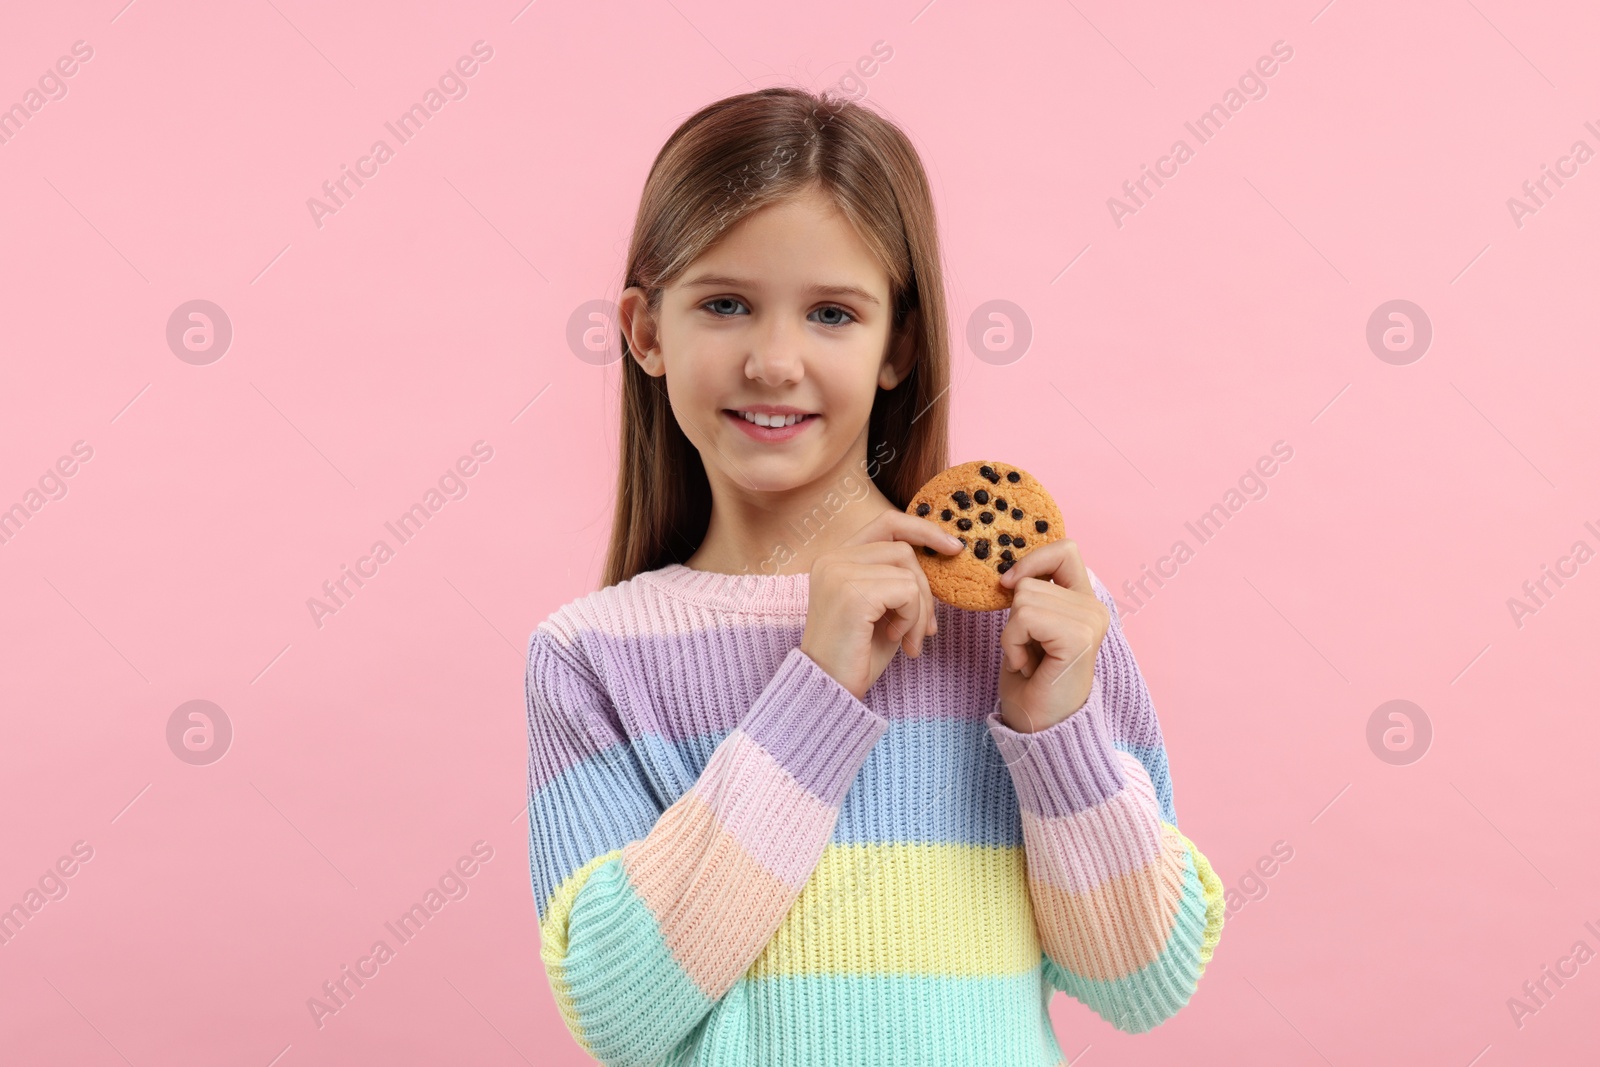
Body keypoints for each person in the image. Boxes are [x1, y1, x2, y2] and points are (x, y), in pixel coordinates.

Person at [524, 86, 1224, 1066]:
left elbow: (1142, 980)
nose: (774, 360)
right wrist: (813, 694)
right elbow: (617, 1011)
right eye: (724, 303)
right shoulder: (591, 654)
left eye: (830, 313)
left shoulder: (1027, 619)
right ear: (644, 331)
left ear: (897, 343)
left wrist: (1055, 731)